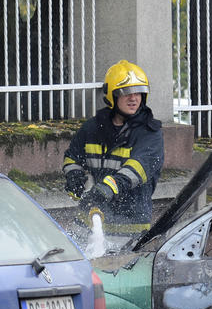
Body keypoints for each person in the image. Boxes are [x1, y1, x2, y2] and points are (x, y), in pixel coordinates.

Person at [64, 60, 164, 236]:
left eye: (138, 92)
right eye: (126, 93)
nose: (133, 98)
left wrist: (105, 189)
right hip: (86, 223)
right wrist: (74, 176)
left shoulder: (150, 134)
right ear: (112, 96)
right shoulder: (92, 128)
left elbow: (135, 171)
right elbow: (72, 157)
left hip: (129, 228)